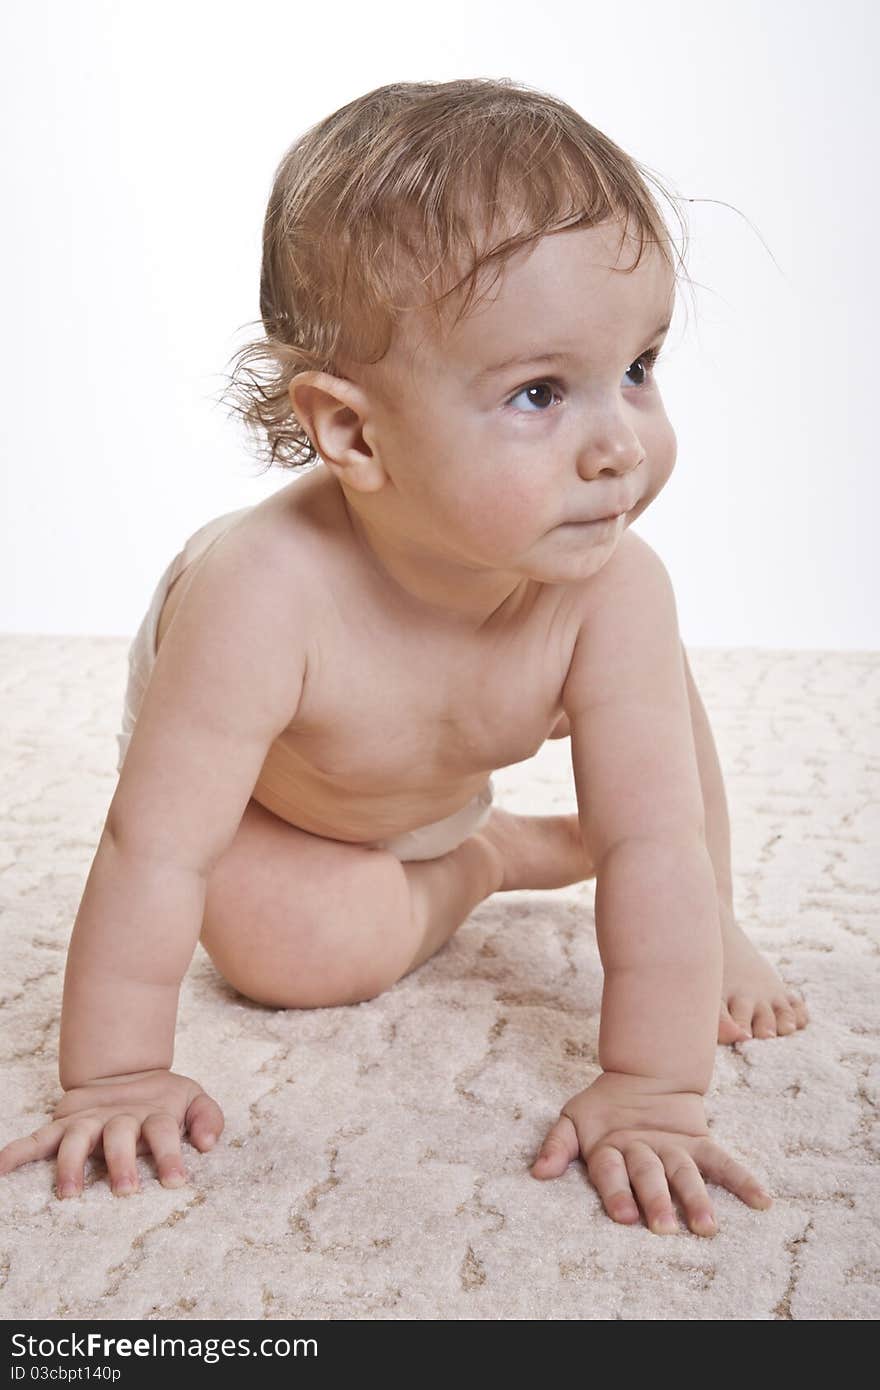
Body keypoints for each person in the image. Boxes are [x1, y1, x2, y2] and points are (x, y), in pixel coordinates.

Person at [0, 77, 808, 1237]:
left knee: (654, 733)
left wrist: (654, 1088)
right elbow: (154, 847)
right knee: (285, 951)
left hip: (469, 750)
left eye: (637, 368)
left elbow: (656, 839)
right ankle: (484, 860)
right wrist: (116, 1076)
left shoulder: (605, 576)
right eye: (540, 391)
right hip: (289, 807)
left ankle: (703, 917)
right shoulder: (258, 596)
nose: (620, 444)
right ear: (352, 432)